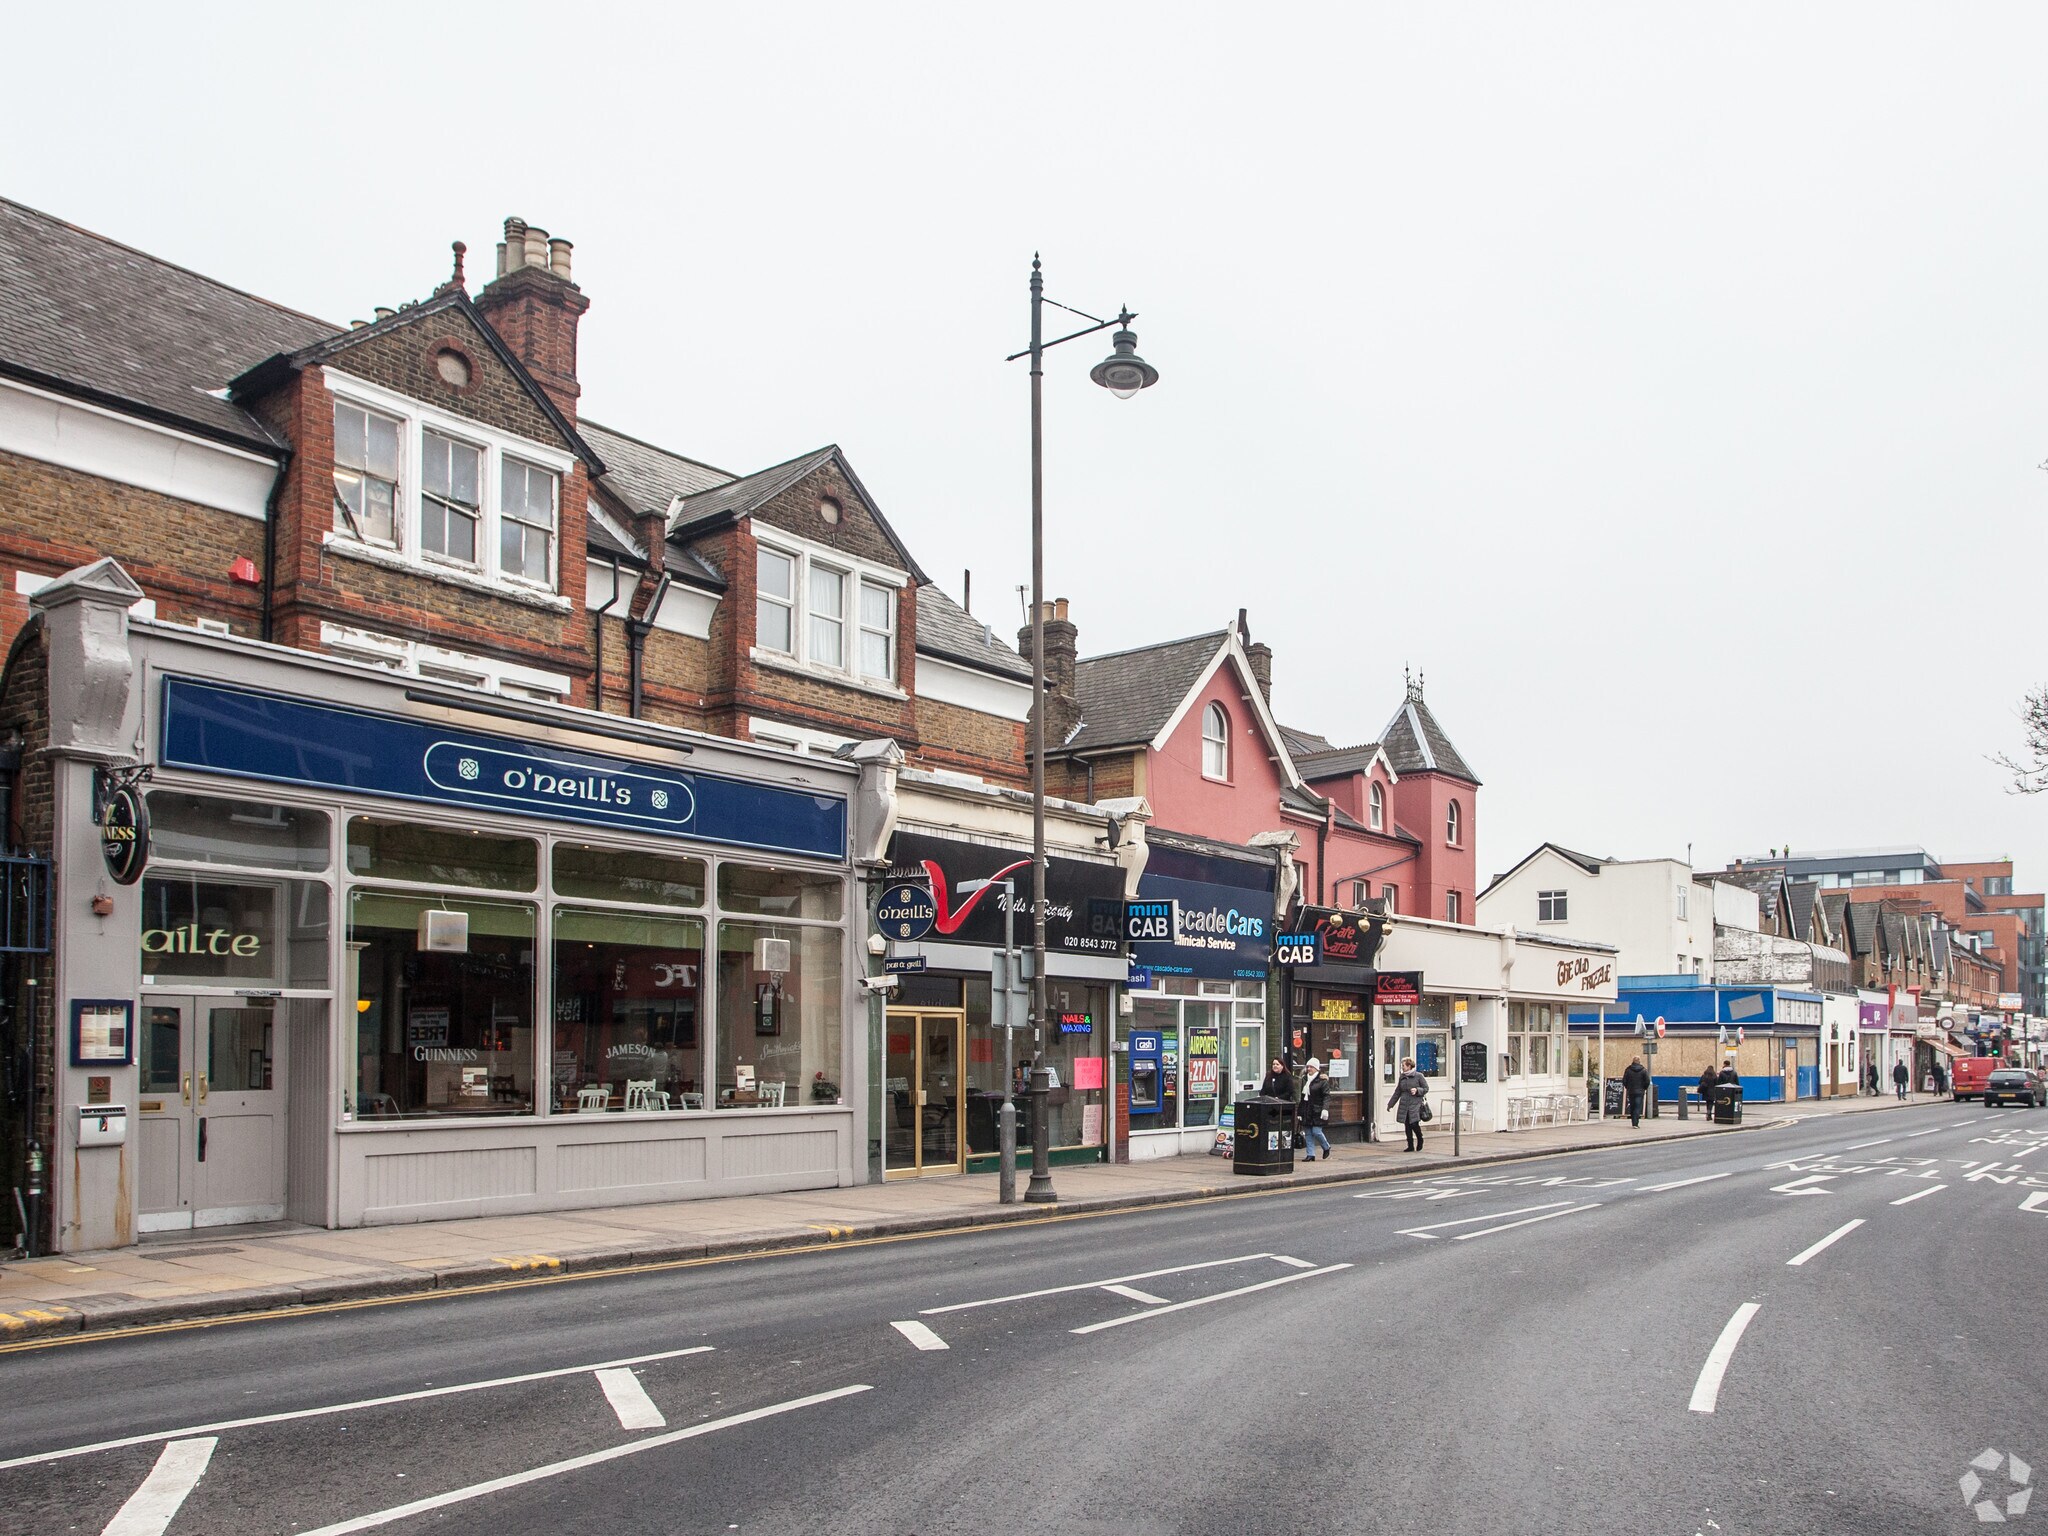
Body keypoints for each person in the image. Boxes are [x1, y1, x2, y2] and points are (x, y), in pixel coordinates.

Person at [1388, 1057, 1428, 1151]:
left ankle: (1420, 1139)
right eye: (1402, 1066)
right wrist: (1390, 1104)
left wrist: (1417, 1090)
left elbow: (1426, 1088)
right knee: (1407, 1125)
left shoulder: (1419, 1076)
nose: (1402, 1067)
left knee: (1414, 1123)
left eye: (1403, 1066)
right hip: (1404, 1104)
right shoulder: (1402, 1077)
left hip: (1415, 1104)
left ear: (1409, 1066)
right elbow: (1398, 1091)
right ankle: (1410, 1145)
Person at [1299, 1057, 1332, 1161]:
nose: (1309, 1069)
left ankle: (1326, 1147)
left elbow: (1327, 1096)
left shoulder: (1322, 1081)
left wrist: (1325, 1109)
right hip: (1306, 1110)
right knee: (1308, 1132)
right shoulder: (1304, 1079)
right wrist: (1299, 1112)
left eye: (1311, 1067)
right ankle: (1310, 1154)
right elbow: (1301, 1097)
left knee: (1316, 1131)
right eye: (1308, 1066)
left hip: (1317, 1110)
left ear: (1317, 1069)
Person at [1622, 1056, 1651, 1128]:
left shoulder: (1628, 1070)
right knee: (1637, 1107)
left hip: (1631, 1091)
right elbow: (1647, 1081)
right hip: (1640, 1091)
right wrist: (1644, 1088)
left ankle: (1633, 1122)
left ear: (1633, 1061)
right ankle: (1636, 1123)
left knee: (1632, 1106)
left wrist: (1627, 1087)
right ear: (1639, 1061)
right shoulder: (1643, 1070)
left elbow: (1624, 1080)